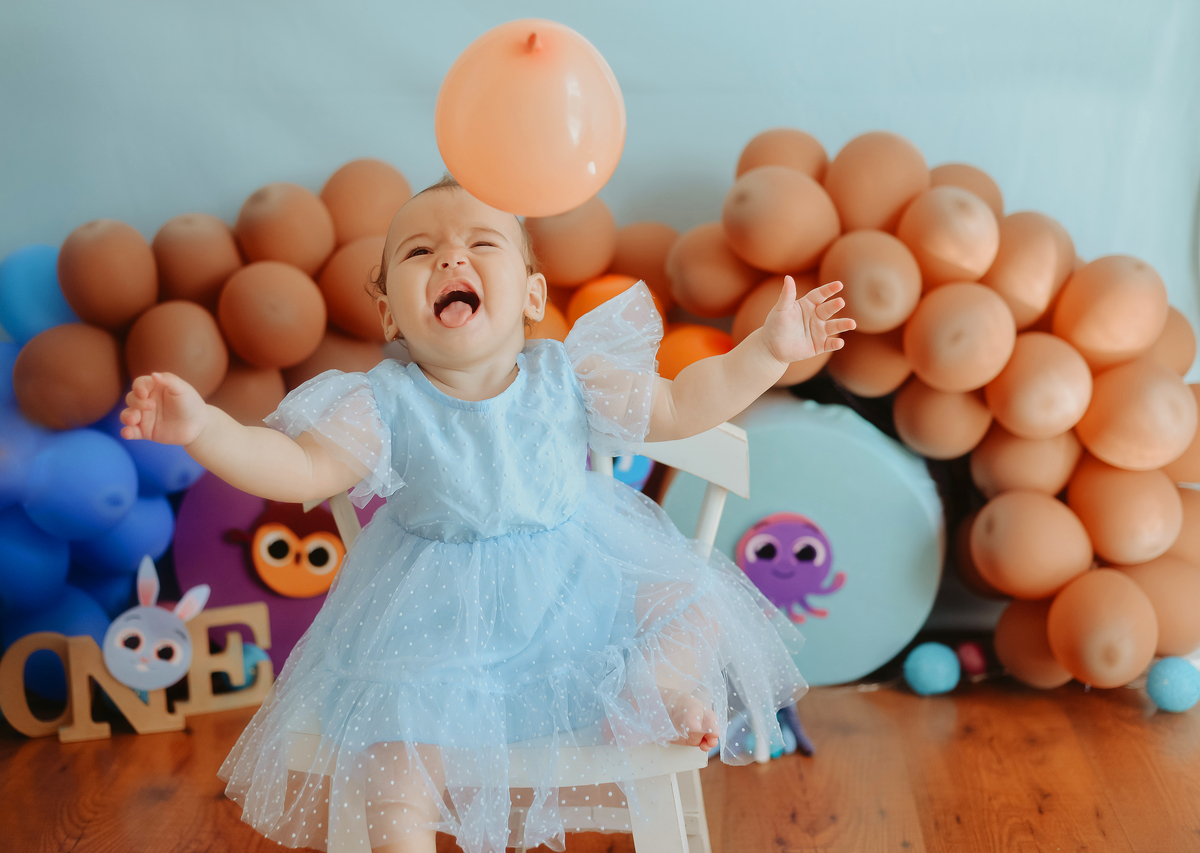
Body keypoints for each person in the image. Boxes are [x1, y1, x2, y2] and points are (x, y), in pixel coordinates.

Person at [120, 175, 854, 853]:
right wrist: (205, 428)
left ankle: (651, 689)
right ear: (389, 313)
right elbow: (298, 466)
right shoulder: (385, 402)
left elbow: (683, 403)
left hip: (580, 595)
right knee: (395, 759)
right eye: (419, 251)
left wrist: (768, 351)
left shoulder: (569, 375)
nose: (450, 258)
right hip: (440, 631)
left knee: (693, 601)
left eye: (480, 243)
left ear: (533, 295)